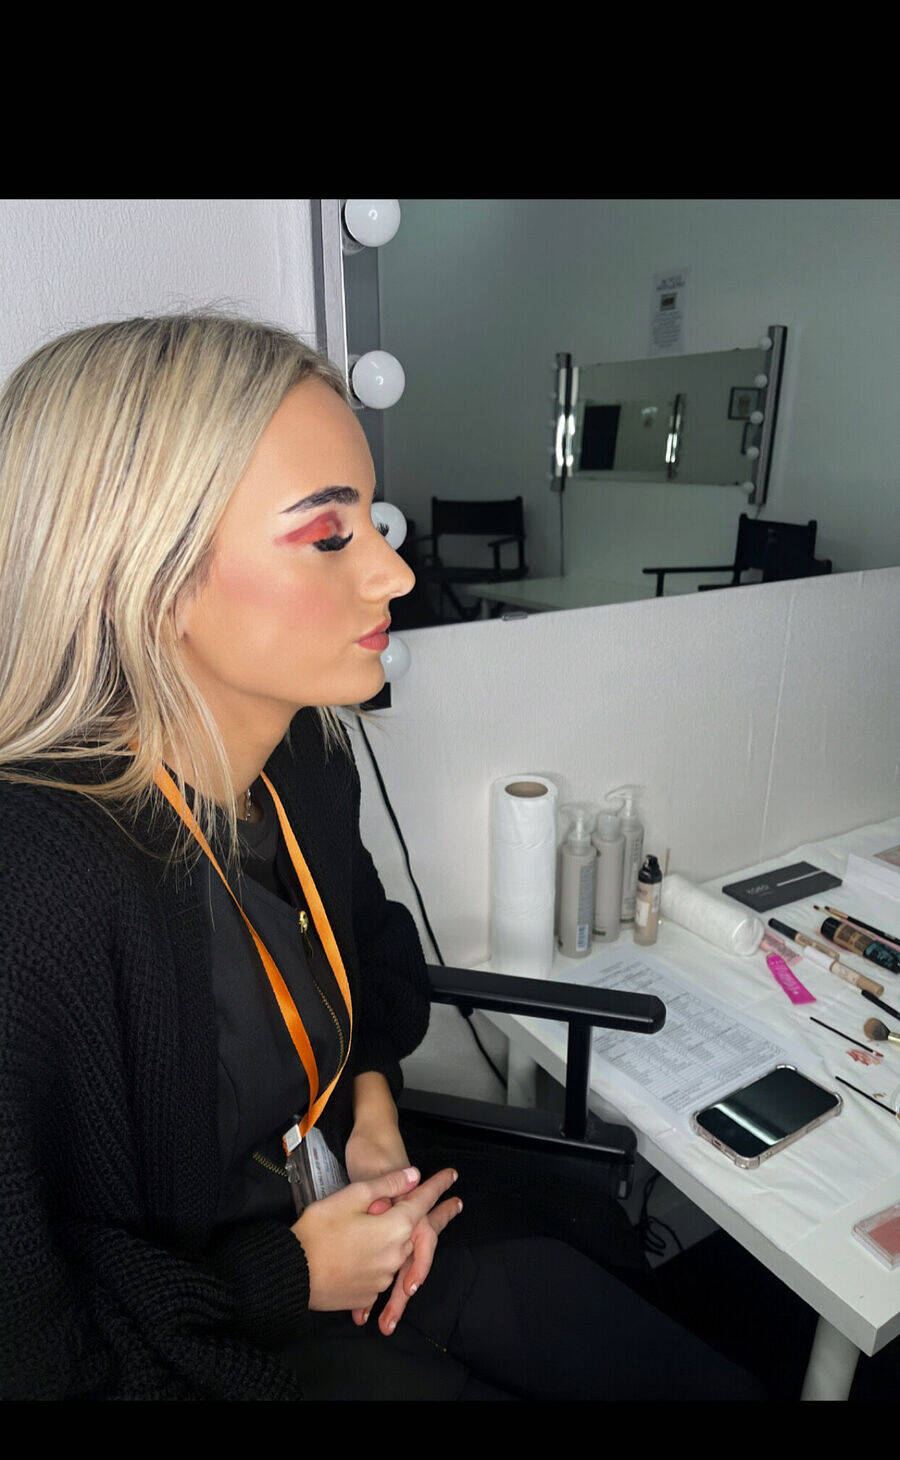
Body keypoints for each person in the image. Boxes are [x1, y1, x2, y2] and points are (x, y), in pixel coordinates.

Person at [0, 311, 767, 1401]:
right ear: (147, 576)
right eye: (329, 537)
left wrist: (369, 1113)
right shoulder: (36, 888)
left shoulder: (304, 759)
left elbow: (368, 956)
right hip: (209, 1344)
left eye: (373, 520)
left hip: (346, 1221)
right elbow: (40, 1349)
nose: (396, 576)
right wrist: (294, 1275)